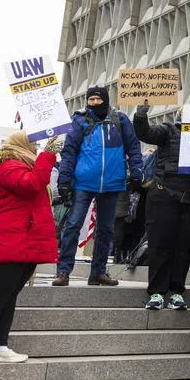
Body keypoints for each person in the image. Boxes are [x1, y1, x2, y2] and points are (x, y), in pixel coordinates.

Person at [0, 133, 61, 365]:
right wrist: (49, 154)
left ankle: (0, 345)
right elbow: (32, 185)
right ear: (24, 145)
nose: (37, 147)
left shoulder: (15, 165)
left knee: (9, 295)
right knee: (0, 294)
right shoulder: (9, 166)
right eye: (35, 144)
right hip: (9, 239)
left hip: (22, 239)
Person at [53, 86, 143, 287]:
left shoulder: (120, 120)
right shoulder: (80, 120)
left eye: (97, 99)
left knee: (106, 229)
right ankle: (63, 270)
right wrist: (64, 181)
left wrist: (137, 171)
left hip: (112, 183)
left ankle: (98, 272)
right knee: (73, 224)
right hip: (84, 182)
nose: (93, 103)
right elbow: (69, 152)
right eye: (90, 99)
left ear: (105, 99)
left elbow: (133, 147)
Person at [133, 103, 190, 310]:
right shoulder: (168, 130)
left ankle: (177, 291)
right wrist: (141, 115)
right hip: (164, 193)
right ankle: (157, 292)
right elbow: (146, 133)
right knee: (160, 243)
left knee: (184, 246)